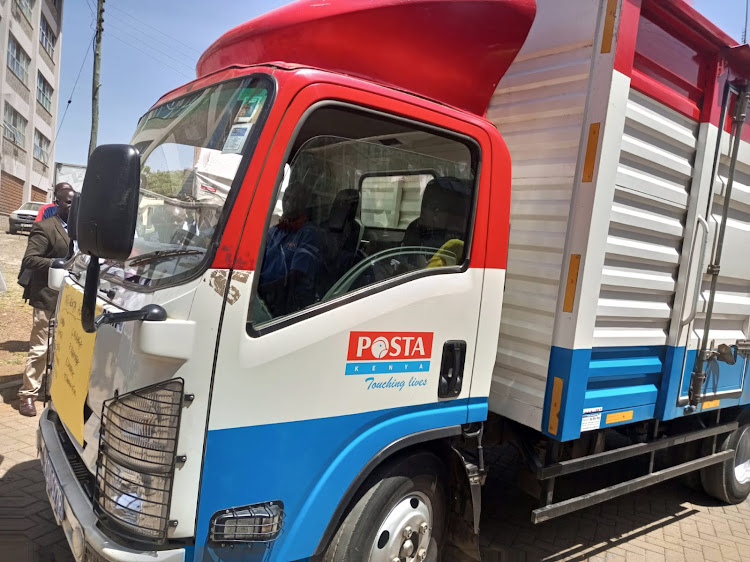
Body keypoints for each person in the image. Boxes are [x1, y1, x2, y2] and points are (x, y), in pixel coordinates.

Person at [18, 185, 74, 417]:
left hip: (72, 299)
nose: (72, 207)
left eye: (75, 203)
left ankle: (55, 390)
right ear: (56, 203)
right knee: (41, 348)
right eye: (68, 202)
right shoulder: (44, 227)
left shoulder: (80, 230)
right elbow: (30, 259)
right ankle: (28, 395)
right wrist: (55, 264)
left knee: (64, 347)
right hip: (47, 297)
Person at [257, 181, 322, 318]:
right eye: (286, 197)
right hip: (261, 297)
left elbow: (296, 278)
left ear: (304, 204)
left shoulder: (309, 233)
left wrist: (261, 290)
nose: (288, 202)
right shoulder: (273, 231)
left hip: (284, 306)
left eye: (294, 199)